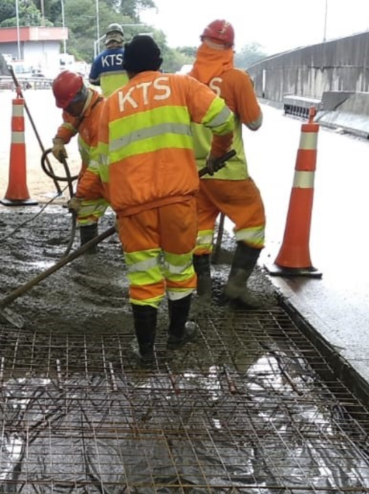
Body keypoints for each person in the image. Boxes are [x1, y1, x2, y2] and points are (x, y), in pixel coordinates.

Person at [92, 34, 235, 363]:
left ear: (127, 70)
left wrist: (118, 203)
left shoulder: (112, 103)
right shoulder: (181, 86)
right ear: (159, 64)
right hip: (178, 201)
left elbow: (103, 164)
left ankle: (145, 350)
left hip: (133, 208)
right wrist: (217, 152)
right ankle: (176, 335)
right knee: (180, 269)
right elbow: (224, 119)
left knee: (143, 277)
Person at [189, 19, 266, 307]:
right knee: (253, 222)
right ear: (230, 48)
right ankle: (236, 287)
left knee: (200, 230)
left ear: (202, 43)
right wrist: (247, 91)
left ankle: (203, 291)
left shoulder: (188, 81)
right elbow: (255, 122)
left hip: (196, 172)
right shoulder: (236, 78)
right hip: (227, 169)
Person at [50, 70, 108, 249]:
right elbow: (70, 122)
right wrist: (60, 140)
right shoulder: (78, 108)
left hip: (113, 175)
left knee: (129, 216)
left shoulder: (100, 117)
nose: (66, 110)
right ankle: (89, 252)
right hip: (94, 170)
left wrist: (78, 196)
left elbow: (97, 166)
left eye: (68, 106)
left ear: (79, 98)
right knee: (85, 211)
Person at [88, 23, 129, 97]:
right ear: (121, 39)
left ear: (107, 40)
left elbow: (92, 80)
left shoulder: (99, 59)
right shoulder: (129, 55)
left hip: (108, 101)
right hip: (128, 99)